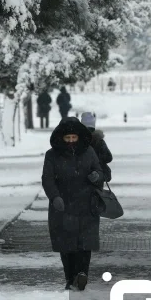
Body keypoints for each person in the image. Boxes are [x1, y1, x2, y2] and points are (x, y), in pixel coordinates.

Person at [42, 117, 104, 290]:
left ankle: (82, 274)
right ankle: (70, 278)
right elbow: (47, 179)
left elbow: (99, 171)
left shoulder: (89, 151)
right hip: (63, 206)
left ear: (79, 137)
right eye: (67, 138)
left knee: (86, 243)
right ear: (61, 137)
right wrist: (55, 197)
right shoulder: (52, 155)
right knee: (67, 244)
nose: (70, 141)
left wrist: (97, 176)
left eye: (73, 138)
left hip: (87, 204)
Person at [81, 111, 113, 181]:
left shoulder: (79, 141)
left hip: (88, 176)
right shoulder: (99, 140)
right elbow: (108, 157)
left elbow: (108, 157)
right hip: (99, 175)